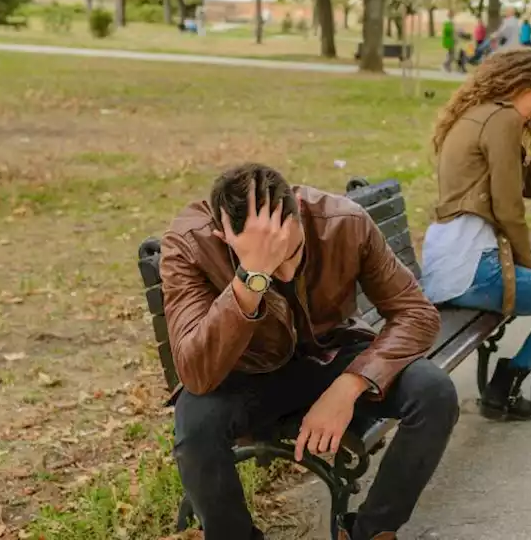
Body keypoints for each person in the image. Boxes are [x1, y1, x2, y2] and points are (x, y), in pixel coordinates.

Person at [161, 164, 458, 540]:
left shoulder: (342, 222)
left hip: (330, 357)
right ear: (223, 235)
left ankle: (372, 531)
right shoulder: (190, 242)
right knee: (196, 425)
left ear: (299, 208)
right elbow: (196, 372)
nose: (282, 273)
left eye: (290, 251)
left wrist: (350, 385)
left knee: (433, 391)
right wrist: (252, 276)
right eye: (268, 264)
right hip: (245, 372)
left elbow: (415, 313)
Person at [423, 49, 531, 422]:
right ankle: (507, 383)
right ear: (520, 85)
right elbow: (508, 210)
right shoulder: (500, 119)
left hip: (465, 258)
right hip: (470, 269)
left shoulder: (486, 114)